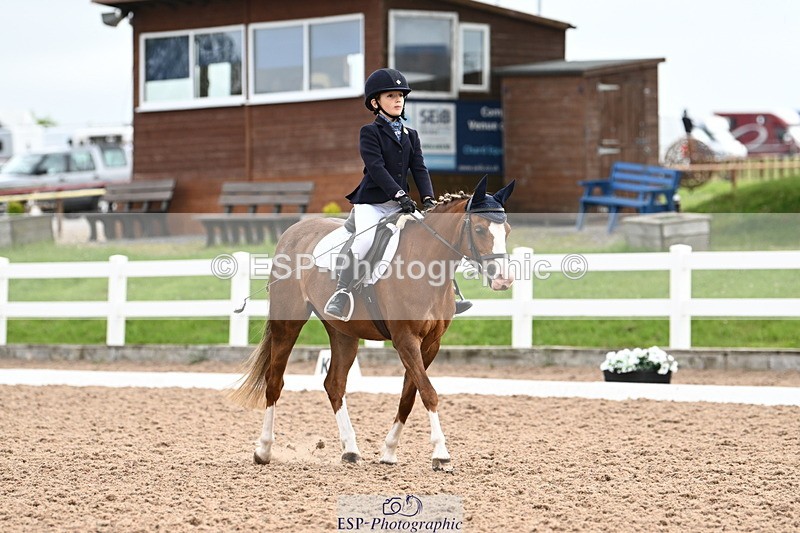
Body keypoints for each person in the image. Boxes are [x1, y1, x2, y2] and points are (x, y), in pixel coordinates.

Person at [324, 68, 436, 320]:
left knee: (430, 238)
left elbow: (419, 168)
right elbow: (376, 168)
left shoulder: (411, 135)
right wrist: (400, 195)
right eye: (391, 96)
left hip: (401, 204)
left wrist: (428, 198)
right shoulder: (369, 132)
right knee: (364, 241)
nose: (398, 100)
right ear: (375, 103)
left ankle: (448, 295)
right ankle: (342, 292)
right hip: (372, 203)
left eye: (401, 95)